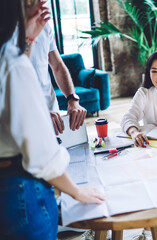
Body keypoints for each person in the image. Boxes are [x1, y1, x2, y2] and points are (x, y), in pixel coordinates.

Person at [0, 1, 105, 239]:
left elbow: (55, 64)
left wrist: (28, 39)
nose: (40, 6)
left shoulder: (15, 49)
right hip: (19, 187)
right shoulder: (11, 63)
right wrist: (76, 191)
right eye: (29, 4)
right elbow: (42, 155)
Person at [24, 0, 87, 135]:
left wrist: (72, 99)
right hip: (24, 118)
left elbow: (57, 65)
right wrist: (39, 113)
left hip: (53, 113)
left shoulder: (44, 27)